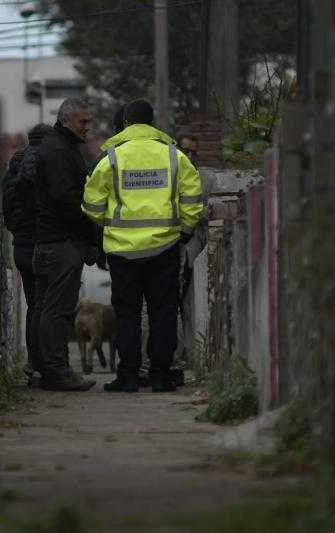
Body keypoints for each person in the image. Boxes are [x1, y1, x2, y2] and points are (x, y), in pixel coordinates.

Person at [82, 99, 204, 392]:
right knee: (163, 311)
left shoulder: (111, 157)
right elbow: (193, 197)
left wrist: (109, 225)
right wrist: (184, 231)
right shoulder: (174, 155)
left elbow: (91, 205)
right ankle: (161, 375)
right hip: (165, 248)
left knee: (127, 314)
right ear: (152, 123)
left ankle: (128, 376)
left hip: (123, 251)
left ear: (125, 123)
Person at [33, 97, 98, 391]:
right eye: (83, 121)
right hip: (59, 242)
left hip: (54, 241)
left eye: (89, 121)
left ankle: (50, 369)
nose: (88, 127)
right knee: (57, 310)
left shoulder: (61, 148)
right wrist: (90, 233)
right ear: (65, 120)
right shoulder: (59, 151)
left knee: (50, 308)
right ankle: (57, 371)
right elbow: (67, 199)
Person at [1, 123, 54, 381]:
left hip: (20, 245)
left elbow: (7, 217)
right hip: (41, 243)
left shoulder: (10, 172)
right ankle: (47, 363)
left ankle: (34, 362)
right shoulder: (42, 167)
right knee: (48, 306)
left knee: (35, 305)